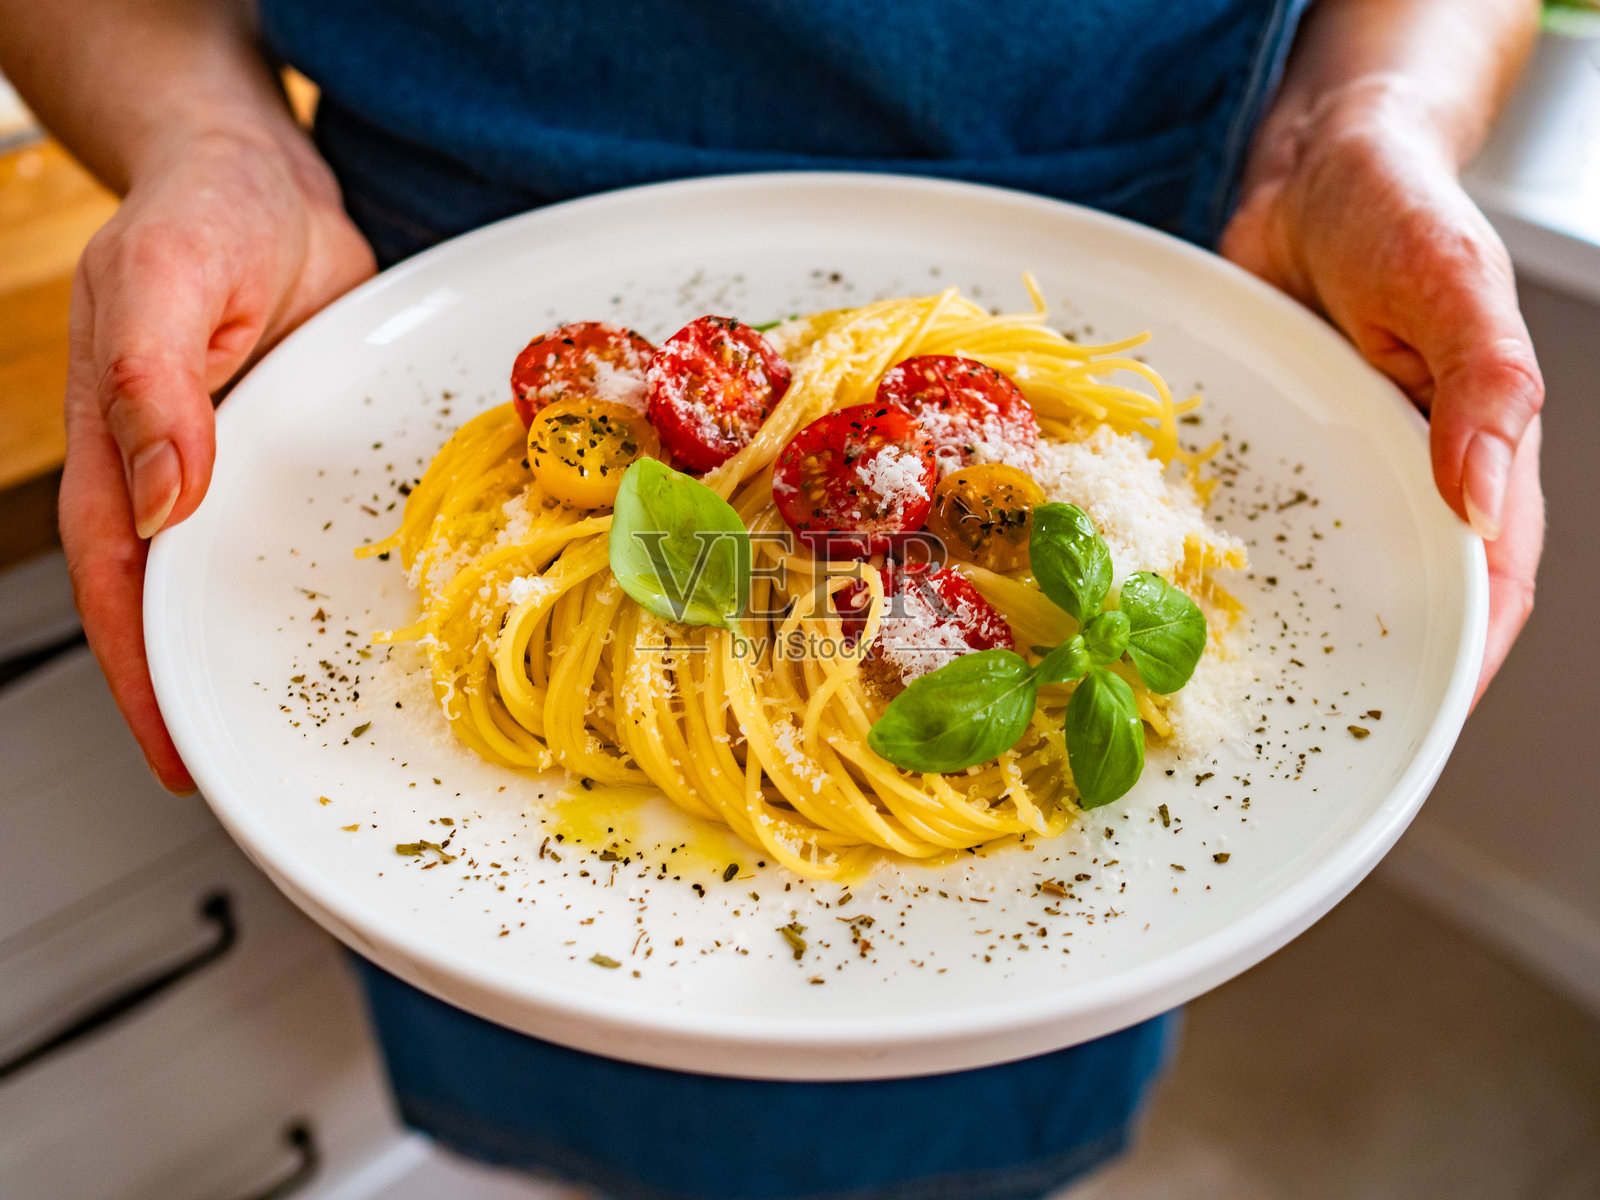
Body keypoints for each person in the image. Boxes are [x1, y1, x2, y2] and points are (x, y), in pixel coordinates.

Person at [0, 1, 1546, 1197]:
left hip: (1170, 271)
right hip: (403, 315)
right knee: (553, 1095)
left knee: (988, 1103)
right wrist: (214, 139)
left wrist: (1363, 117)